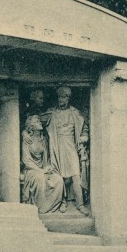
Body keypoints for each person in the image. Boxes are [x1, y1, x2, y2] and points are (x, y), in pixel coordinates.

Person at [44, 86, 88, 214]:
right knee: (61, 176)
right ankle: (62, 201)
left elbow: (83, 126)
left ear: (68, 98)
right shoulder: (52, 112)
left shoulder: (75, 112)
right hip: (57, 146)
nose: (61, 100)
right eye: (60, 97)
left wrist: (84, 135)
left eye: (64, 97)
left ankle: (80, 204)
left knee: (75, 174)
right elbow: (35, 119)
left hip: (71, 145)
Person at [20, 114, 64, 213]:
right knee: (40, 178)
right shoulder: (27, 140)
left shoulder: (43, 139)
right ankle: (39, 208)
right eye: (37, 121)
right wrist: (40, 170)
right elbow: (26, 161)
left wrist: (47, 167)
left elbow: (47, 157)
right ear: (31, 126)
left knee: (58, 179)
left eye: (40, 120)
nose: (40, 122)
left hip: (43, 168)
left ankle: (50, 206)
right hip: (32, 170)